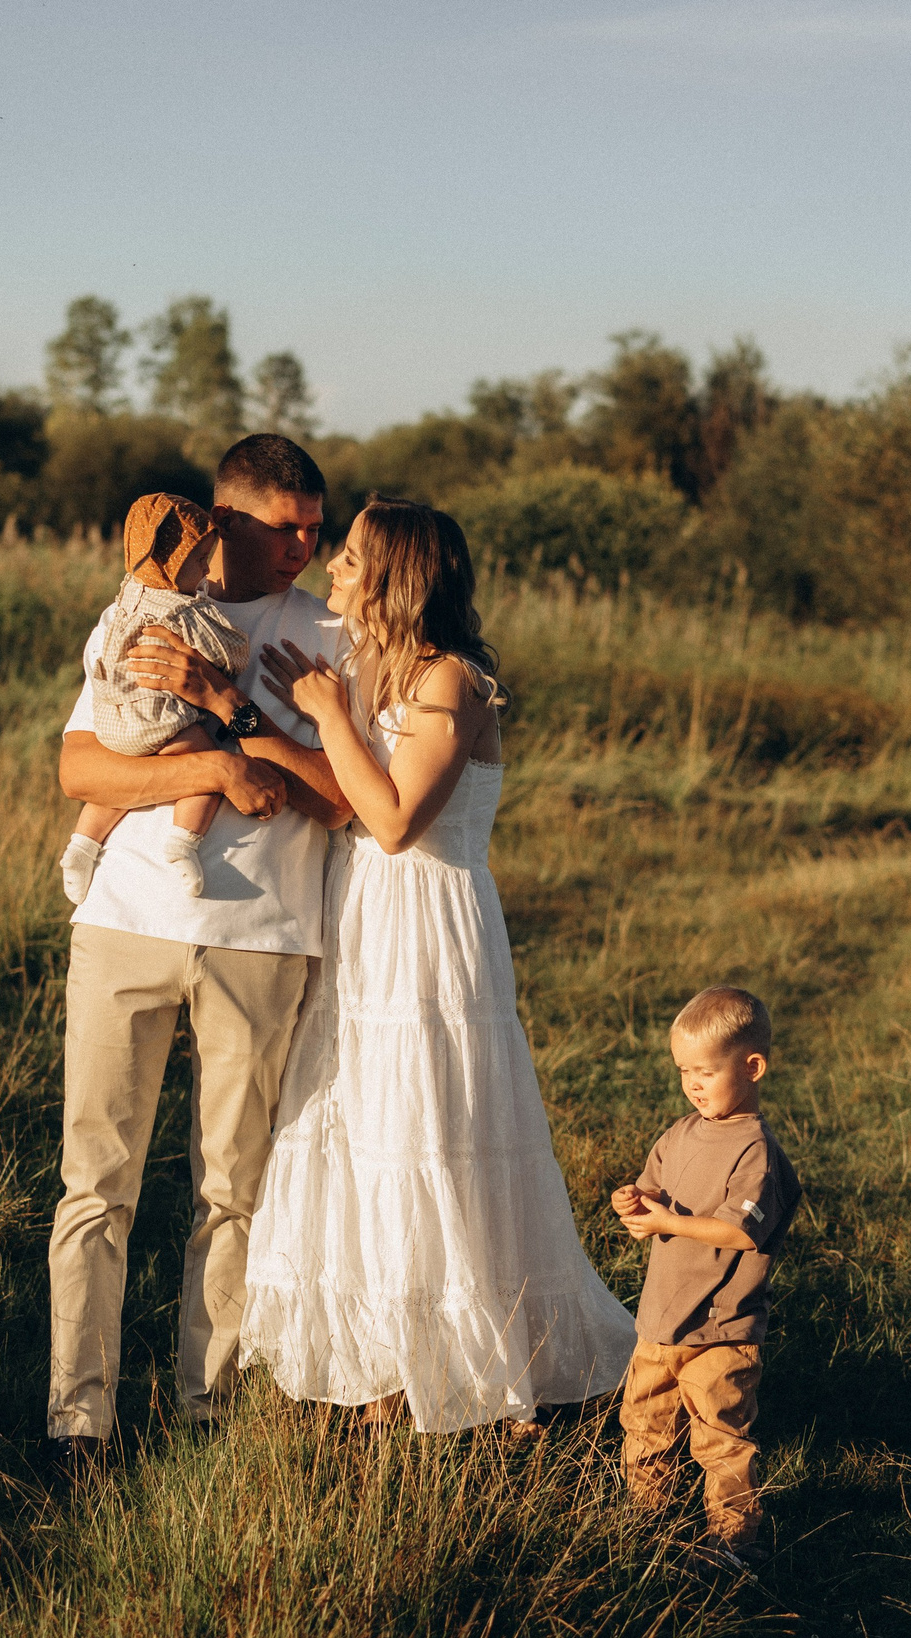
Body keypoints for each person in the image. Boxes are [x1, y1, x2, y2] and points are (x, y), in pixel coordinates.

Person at [239, 497, 636, 1433]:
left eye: (349, 558)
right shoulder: (370, 669)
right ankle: (384, 1363)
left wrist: (328, 715)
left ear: (394, 577)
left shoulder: (451, 681)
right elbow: (341, 800)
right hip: (363, 919)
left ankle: (476, 1366)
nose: (331, 570)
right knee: (363, 1126)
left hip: (427, 925)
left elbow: (392, 821)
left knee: (430, 1128)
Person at [46, 434, 346, 1468]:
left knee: (234, 1190)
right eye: (287, 527)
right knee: (96, 1183)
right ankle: (77, 1422)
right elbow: (82, 769)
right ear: (223, 519)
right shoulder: (148, 607)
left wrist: (232, 711)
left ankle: (206, 1413)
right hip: (125, 923)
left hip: (263, 937)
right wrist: (221, 769)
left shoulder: (334, 635)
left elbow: (342, 801)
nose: (306, 547)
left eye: (317, 529)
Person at [611, 987, 802, 1566]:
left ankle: (733, 1540)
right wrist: (634, 1202)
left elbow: (740, 1232)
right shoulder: (680, 1133)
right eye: (683, 1072)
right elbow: (652, 1189)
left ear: (752, 1067)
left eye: (706, 1072)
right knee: (645, 1423)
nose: (693, 1085)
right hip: (661, 1317)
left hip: (721, 1326)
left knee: (720, 1437)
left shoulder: (755, 1153)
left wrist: (668, 1222)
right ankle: (647, 1519)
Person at [62, 492, 245, 902]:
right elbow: (226, 652)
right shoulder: (180, 611)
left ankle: (82, 846)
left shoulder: (126, 596)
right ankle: (183, 842)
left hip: (114, 722)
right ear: (173, 563)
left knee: (118, 789)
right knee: (207, 767)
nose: (206, 571)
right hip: (161, 720)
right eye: (200, 560)